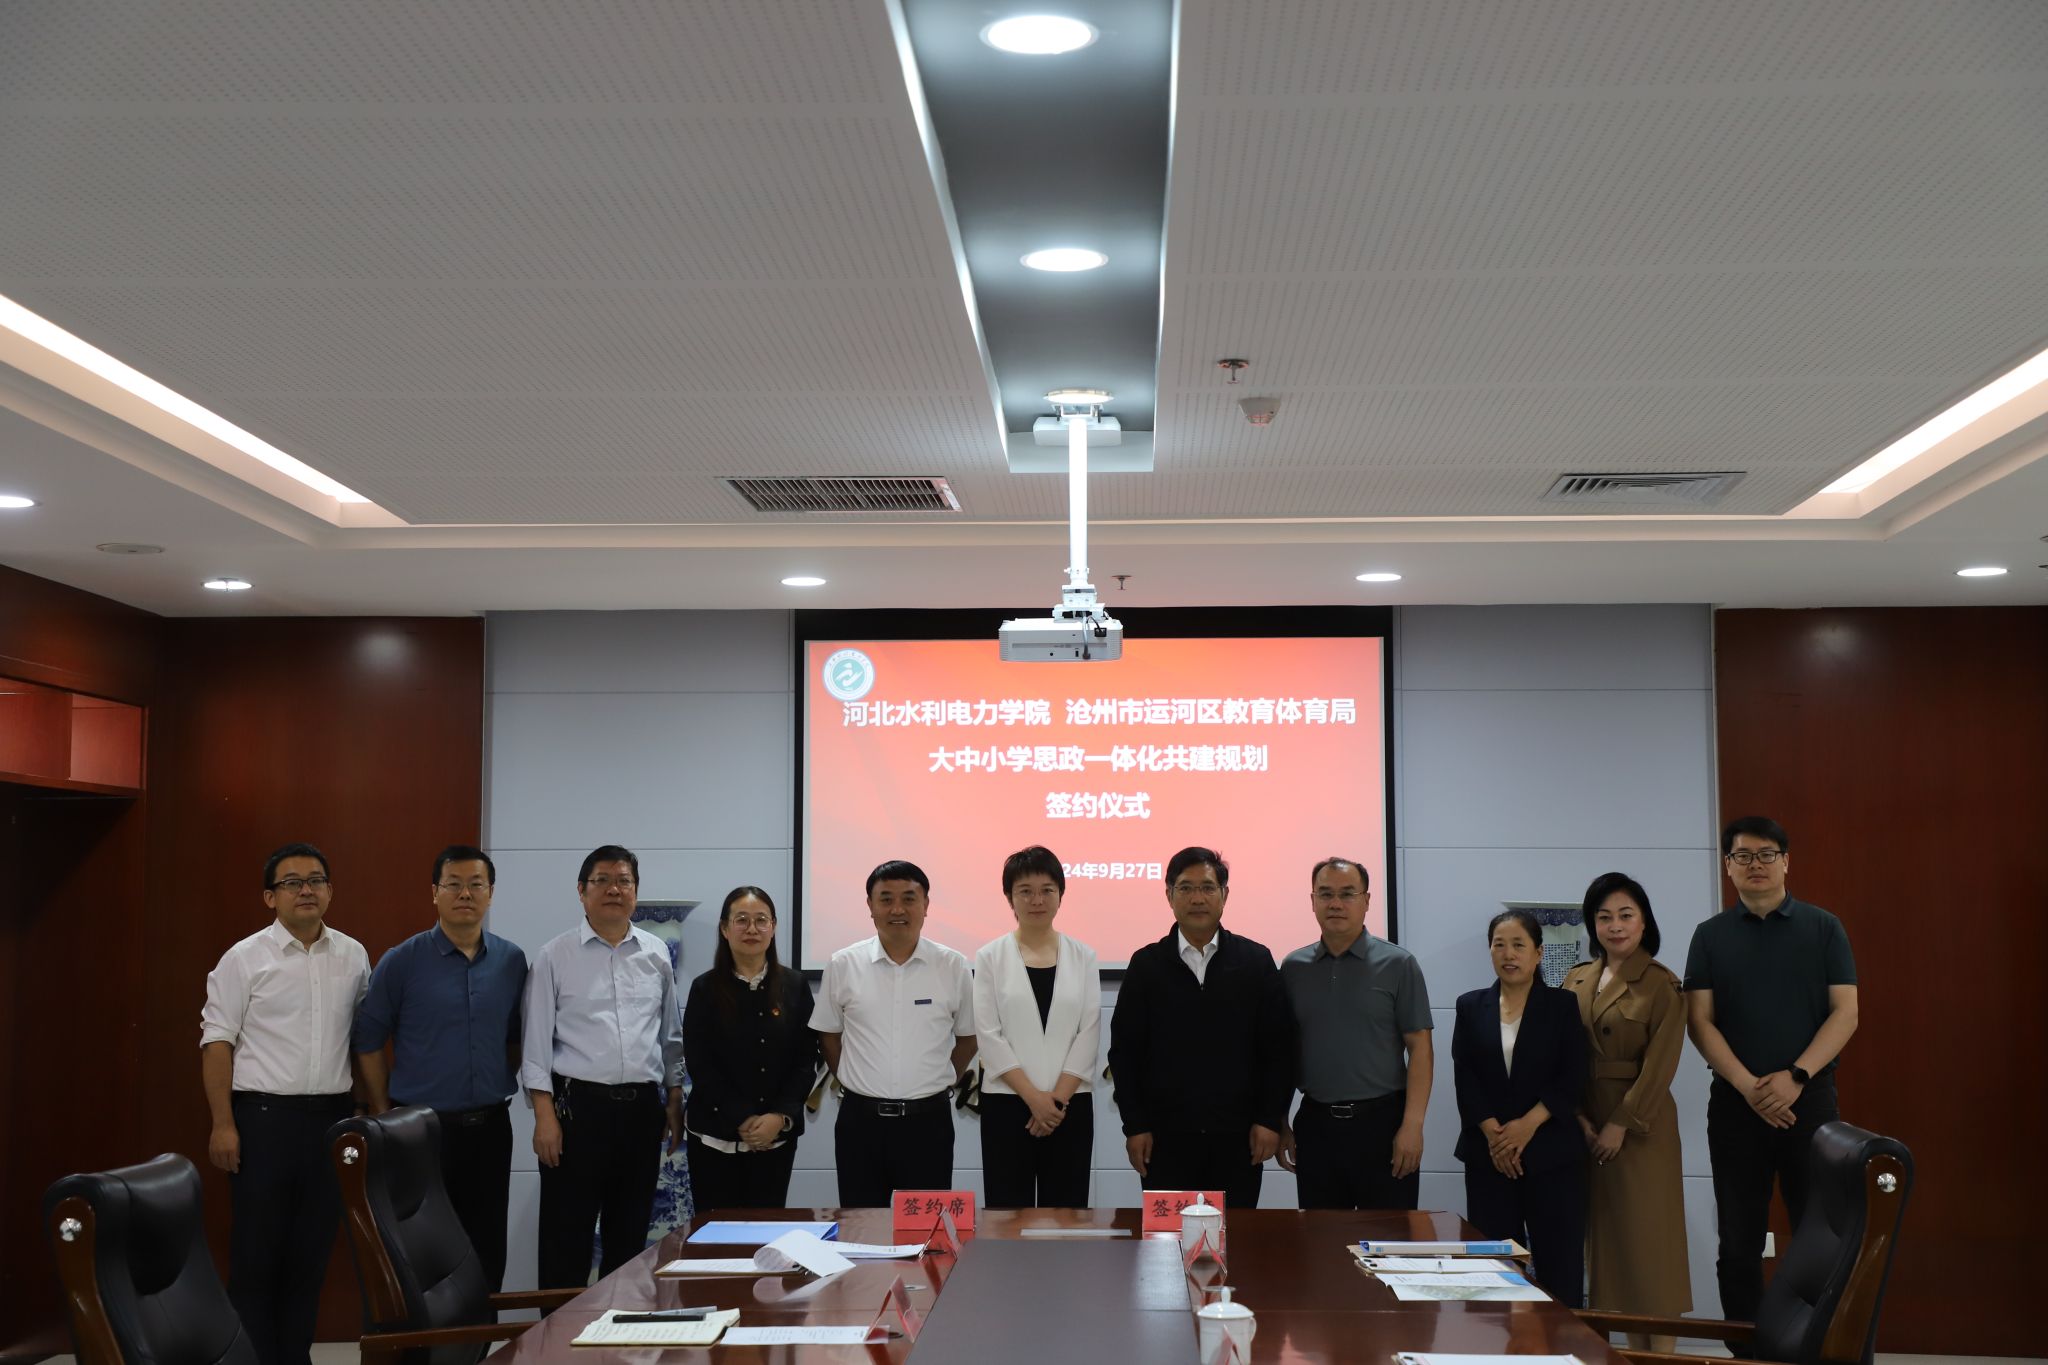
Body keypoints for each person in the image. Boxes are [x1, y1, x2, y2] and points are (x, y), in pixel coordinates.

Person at [1686, 816, 1858, 1336]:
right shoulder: (1710, 936)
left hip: (1810, 1102)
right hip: (1736, 1106)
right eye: (1743, 856)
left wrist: (1796, 1076)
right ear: (1728, 866)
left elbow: (1846, 1013)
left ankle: (1813, 1343)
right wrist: (1748, 1087)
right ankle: (1746, 1350)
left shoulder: (1824, 928)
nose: (1755, 864)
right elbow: (1699, 1022)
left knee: (1819, 1232)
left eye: (1766, 854)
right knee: (1738, 1239)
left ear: (1786, 861)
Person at [199, 842, 369, 1365]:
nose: (305, 890)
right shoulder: (244, 958)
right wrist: (222, 1124)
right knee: (256, 1259)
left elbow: (362, 1041)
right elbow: (217, 1042)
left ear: (330, 891)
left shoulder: (354, 955)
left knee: (310, 1259)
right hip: (262, 1123)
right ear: (270, 897)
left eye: (315, 880)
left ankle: (294, 1358)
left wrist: (367, 1111)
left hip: (332, 1121)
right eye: (292, 882)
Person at [352, 844, 528, 1290]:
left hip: (490, 1129)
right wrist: (383, 1111)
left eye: (476, 884)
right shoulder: (402, 961)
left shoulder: (511, 961)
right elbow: (368, 1041)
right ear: (434, 892)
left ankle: (482, 1335)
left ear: (491, 893)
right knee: (422, 1254)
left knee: (487, 1249)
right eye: (453, 884)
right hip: (420, 1131)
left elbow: (514, 1039)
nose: (465, 894)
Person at [520, 845, 684, 1289]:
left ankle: (618, 1329)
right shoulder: (554, 956)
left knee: (629, 1237)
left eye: (624, 881)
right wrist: (544, 1117)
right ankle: (556, 1329)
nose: (614, 889)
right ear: (581, 890)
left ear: (636, 892)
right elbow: (535, 1047)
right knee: (565, 1237)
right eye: (602, 881)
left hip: (640, 1113)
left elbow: (670, 1037)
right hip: (577, 1112)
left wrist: (674, 1098)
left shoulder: (655, 954)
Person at [1108, 847, 1294, 1208]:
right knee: (1168, 1238)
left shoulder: (1255, 961)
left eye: (1208, 887)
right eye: (1186, 888)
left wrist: (1269, 1120)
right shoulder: (1146, 965)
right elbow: (1125, 1054)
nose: (1197, 898)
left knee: (1236, 1236)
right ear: (1169, 895)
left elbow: (1279, 1049)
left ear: (1225, 894)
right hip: (1164, 1140)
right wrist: (1135, 1126)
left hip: (1240, 1139)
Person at [1562, 873, 1690, 1352]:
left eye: (1625, 915)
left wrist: (1621, 1122)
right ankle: (1626, 1355)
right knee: (1609, 1253)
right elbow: (1562, 1054)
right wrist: (1577, 1116)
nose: (1615, 926)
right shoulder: (1576, 978)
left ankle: (1661, 1358)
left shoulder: (1662, 983)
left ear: (1644, 922)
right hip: (1585, 1122)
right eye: (1604, 917)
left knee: (1650, 1248)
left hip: (1641, 1128)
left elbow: (1661, 1065)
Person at [810, 859, 976, 1206]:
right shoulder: (843, 964)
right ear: (870, 906)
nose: (897, 909)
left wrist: (942, 1077)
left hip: (928, 1123)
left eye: (909, 899)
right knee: (860, 1225)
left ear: (926, 905)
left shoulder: (953, 965)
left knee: (924, 1229)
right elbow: (828, 1035)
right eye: (885, 899)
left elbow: (968, 1037)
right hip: (860, 1123)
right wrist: (854, 1078)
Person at [1277, 856, 1432, 1210]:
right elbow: (1283, 1051)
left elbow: (1421, 1048)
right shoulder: (1293, 967)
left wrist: (1412, 1126)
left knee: (1390, 1237)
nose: (1335, 903)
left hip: (1383, 1125)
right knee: (1321, 1237)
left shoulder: (1399, 964)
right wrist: (1281, 1121)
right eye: (1325, 894)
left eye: (1347, 894)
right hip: (1316, 1125)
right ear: (1312, 900)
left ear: (1367, 901)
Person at [1452, 908, 1587, 1305]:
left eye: (1518, 945)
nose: (1508, 954)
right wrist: (1495, 1135)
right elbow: (1465, 1076)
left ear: (1538, 953)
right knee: (1495, 1270)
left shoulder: (1562, 1005)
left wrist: (1528, 1125)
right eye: (1499, 945)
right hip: (1489, 1156)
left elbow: (1574, 1074)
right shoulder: (1470, 1005)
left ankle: (1563, 1340)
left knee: (1559, 1267)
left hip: (1551, 1154)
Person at [973, 846, 1103, 1207]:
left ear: (1061, 895)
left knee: (1066, 1214)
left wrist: (1055, 1102)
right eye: (1025, 891)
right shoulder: (990, 956)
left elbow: (1089, 1032)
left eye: (1047, 890)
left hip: (1069, 1107)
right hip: (1007, 1104)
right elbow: (989, 1035)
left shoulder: (1083, 956)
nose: (1037, 900)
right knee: (1006, 1214)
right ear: (1009, 898)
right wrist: (1034, 1099)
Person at [682, 886, 819, 1212]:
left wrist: (778, 1117)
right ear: (725, 928)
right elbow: (700, 1064)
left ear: (773, 927)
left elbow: (805, 1061)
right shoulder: (704, 988)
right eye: (741, 920)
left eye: (761, 920)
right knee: (714, 1236)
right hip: (713, 1139)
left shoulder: (795, 986)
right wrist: (742, 1117)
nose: (752, 929)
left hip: (775, 1139)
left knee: (766, 1232)